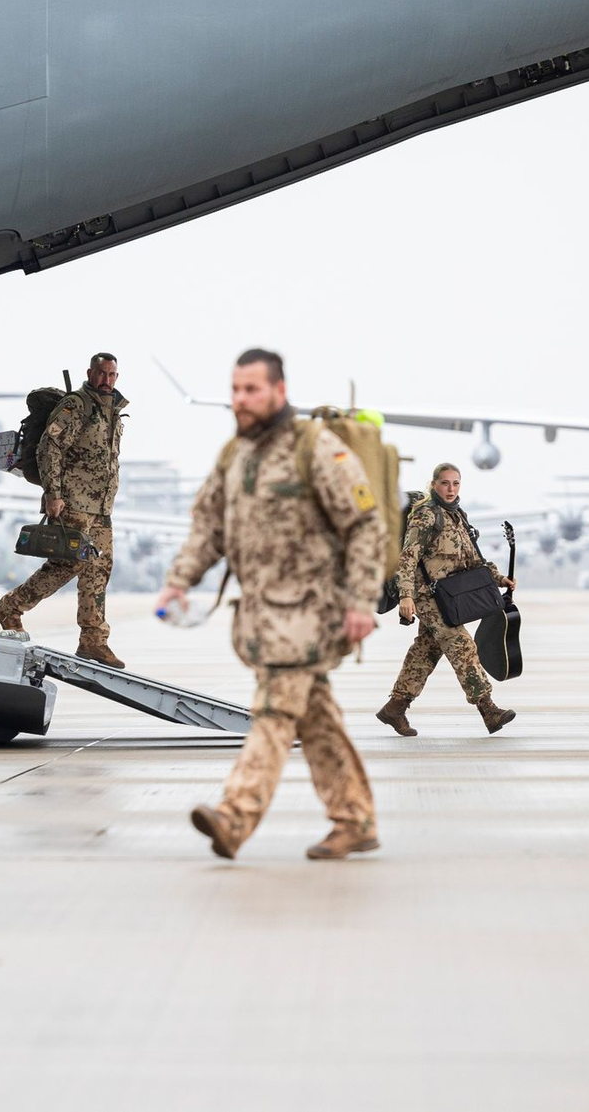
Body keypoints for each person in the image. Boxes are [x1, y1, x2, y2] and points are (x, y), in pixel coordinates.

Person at [156, 348, 386, 861]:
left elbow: (365, 525)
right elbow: (208, 527)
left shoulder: (316, 448)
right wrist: (179, 582)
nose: (240, 400)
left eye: (251, 389)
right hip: (263, 616)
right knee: (316, 718)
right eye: (235, 389)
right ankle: (355, 819)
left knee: (274, 710)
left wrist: (361, 602)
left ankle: (235, 817)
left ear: (279, 391)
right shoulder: (234, 456)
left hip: (313, 612)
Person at [0, 353, 127, 668]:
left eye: (112, 374)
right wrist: (53, 494)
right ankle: (10, 608)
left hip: (101, 506)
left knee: (98, 569)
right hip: (73, 501)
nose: (107, 380)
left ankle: (94, 641)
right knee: (67, 565)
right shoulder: (75, 407)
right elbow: (49, 449)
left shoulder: (113, 411)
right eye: (102, 373)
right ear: (90, 373)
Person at [375, 463, 517, 737]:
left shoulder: (457, 515)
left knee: (426, 650)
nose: (450, 489)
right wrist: (406, 595)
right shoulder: (425, 516)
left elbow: (473, 558)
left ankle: (395, 707)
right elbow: (407, 558)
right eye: (445, 483)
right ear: (434, 484)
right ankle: (488, 709)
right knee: (462, 645)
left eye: (455, 483)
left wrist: (499, 578)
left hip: (449, 595)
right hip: (427, 595)